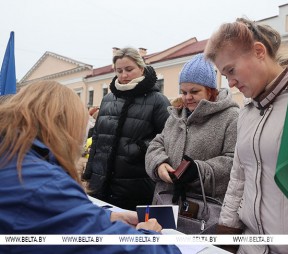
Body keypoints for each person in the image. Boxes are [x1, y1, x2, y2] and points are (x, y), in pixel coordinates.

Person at [0, 81, 180, 254]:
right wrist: (151, 235)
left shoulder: (14, 160)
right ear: (65, 128)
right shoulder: (44, 185)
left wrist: (105, 217)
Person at [204, 18, 288, 254]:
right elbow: (238, 179)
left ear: (258, 51)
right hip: (251, 247)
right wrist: (226, 236)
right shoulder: (246, 113)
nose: (231, 82)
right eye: (225, 76)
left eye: (231, 70)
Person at [145, 53, 239, 233]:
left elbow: (234, 161)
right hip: (165, 202)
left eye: (194, 92)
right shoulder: (176, 115)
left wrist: (198, 171)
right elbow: (157, 143)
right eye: (184, 91)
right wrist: (159, 164)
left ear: (210, 90)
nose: (187, 97)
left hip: (202, 212)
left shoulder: (230, 117)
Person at [83, 47, 171, 211]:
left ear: (141, 68)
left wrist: (139, 148)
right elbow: (97, 138)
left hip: (137, 185)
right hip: (100, 184)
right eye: (119, 70)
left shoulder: (158, 100)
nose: (123, 75)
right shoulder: (108, 99)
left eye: (129, 69)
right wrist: (89, 174)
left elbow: (170, 139)